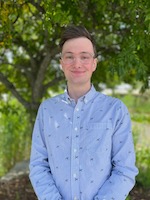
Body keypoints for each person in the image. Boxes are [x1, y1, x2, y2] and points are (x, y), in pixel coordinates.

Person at [29, 25, 138, 200]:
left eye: (84, 57)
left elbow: (125, 169)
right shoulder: (47, 110)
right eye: (69, 57)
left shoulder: (115, 110)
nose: (77, 63)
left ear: (94, 63)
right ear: (61, 63)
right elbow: (38, 165)